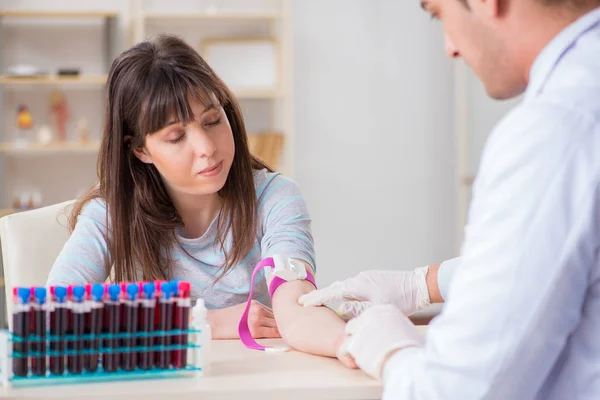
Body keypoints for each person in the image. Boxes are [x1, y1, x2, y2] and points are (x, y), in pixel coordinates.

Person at [300, 0, 600, 398]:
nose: (450, 48)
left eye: (439, 14)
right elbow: (568, 255)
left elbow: (460, 391)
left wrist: (392, 353)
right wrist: (421, 285)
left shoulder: (556, 130)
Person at [46, 34, 350, 362]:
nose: (207, 148)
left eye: (213, 121)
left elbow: (297, 306)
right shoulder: (111, 214)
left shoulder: (275, 197)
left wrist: (356, 344)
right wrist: (202, 321)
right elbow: (55, 315)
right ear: (140, 150)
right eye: (176, 137)